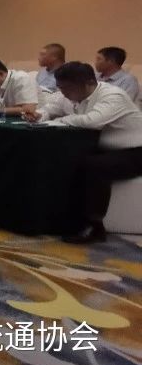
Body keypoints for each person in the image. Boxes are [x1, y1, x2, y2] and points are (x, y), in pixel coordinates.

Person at [28, 62, 142, 243]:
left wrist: (63, 119)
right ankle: (59, 218)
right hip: (104, 148)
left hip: (134, 151)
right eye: (60, 87)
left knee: (95, 166)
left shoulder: (113, 95)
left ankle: (94, 226)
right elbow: (49, 109)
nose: (63, 92)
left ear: (88, 83)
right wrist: (38, 115)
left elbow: (92, 121)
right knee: (64, 159)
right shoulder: (68, 94)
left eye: (67, 88)